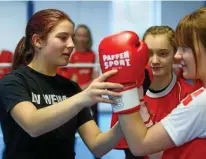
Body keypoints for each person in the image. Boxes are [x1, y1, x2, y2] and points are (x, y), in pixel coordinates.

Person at [99, 6, 206, 159]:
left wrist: (125, 90)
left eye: (186, 48)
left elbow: (140, 146)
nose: (178, 55)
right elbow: (158, 153)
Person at [0, 9, 127, 159]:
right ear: (38, 41)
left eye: (72, 38)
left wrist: (128, 116)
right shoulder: (13, 82)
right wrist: (82, 98)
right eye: (63, 38)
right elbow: (32, 125)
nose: (72, 44)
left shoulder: (71, 88)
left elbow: (97, 145)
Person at [110, 26, 201, 159]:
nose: (154, 61)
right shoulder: (128, 94)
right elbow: (129, 151)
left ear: (175, 54)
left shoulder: (189, 96)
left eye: (163, 53)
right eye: (149, 54)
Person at [69, 24, 100, 127]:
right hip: (74, 93)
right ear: (74, 37)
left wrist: (85, 89)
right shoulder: (70, 55)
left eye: (84, 36)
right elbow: (72, 79)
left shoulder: (94, 55)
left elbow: (96, 78)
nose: (81, 39)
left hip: (90, 92)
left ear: (88, 38)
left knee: (93, 123)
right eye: (79, 35)